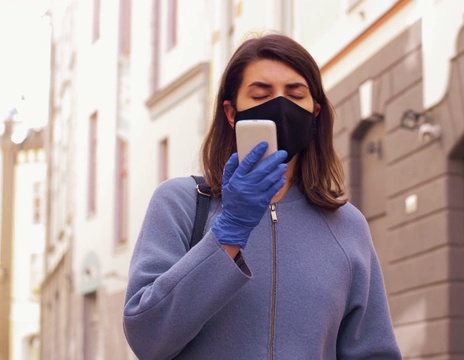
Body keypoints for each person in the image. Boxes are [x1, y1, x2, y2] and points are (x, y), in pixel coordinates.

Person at [122, 33, 401, 360]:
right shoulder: (180, 204)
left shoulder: (347, 225)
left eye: (296, 94)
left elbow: (374, 351)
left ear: (314, 113)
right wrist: (228, 232)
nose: (281, 106)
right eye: (260, 94)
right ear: (231, 112)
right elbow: (146, 336)